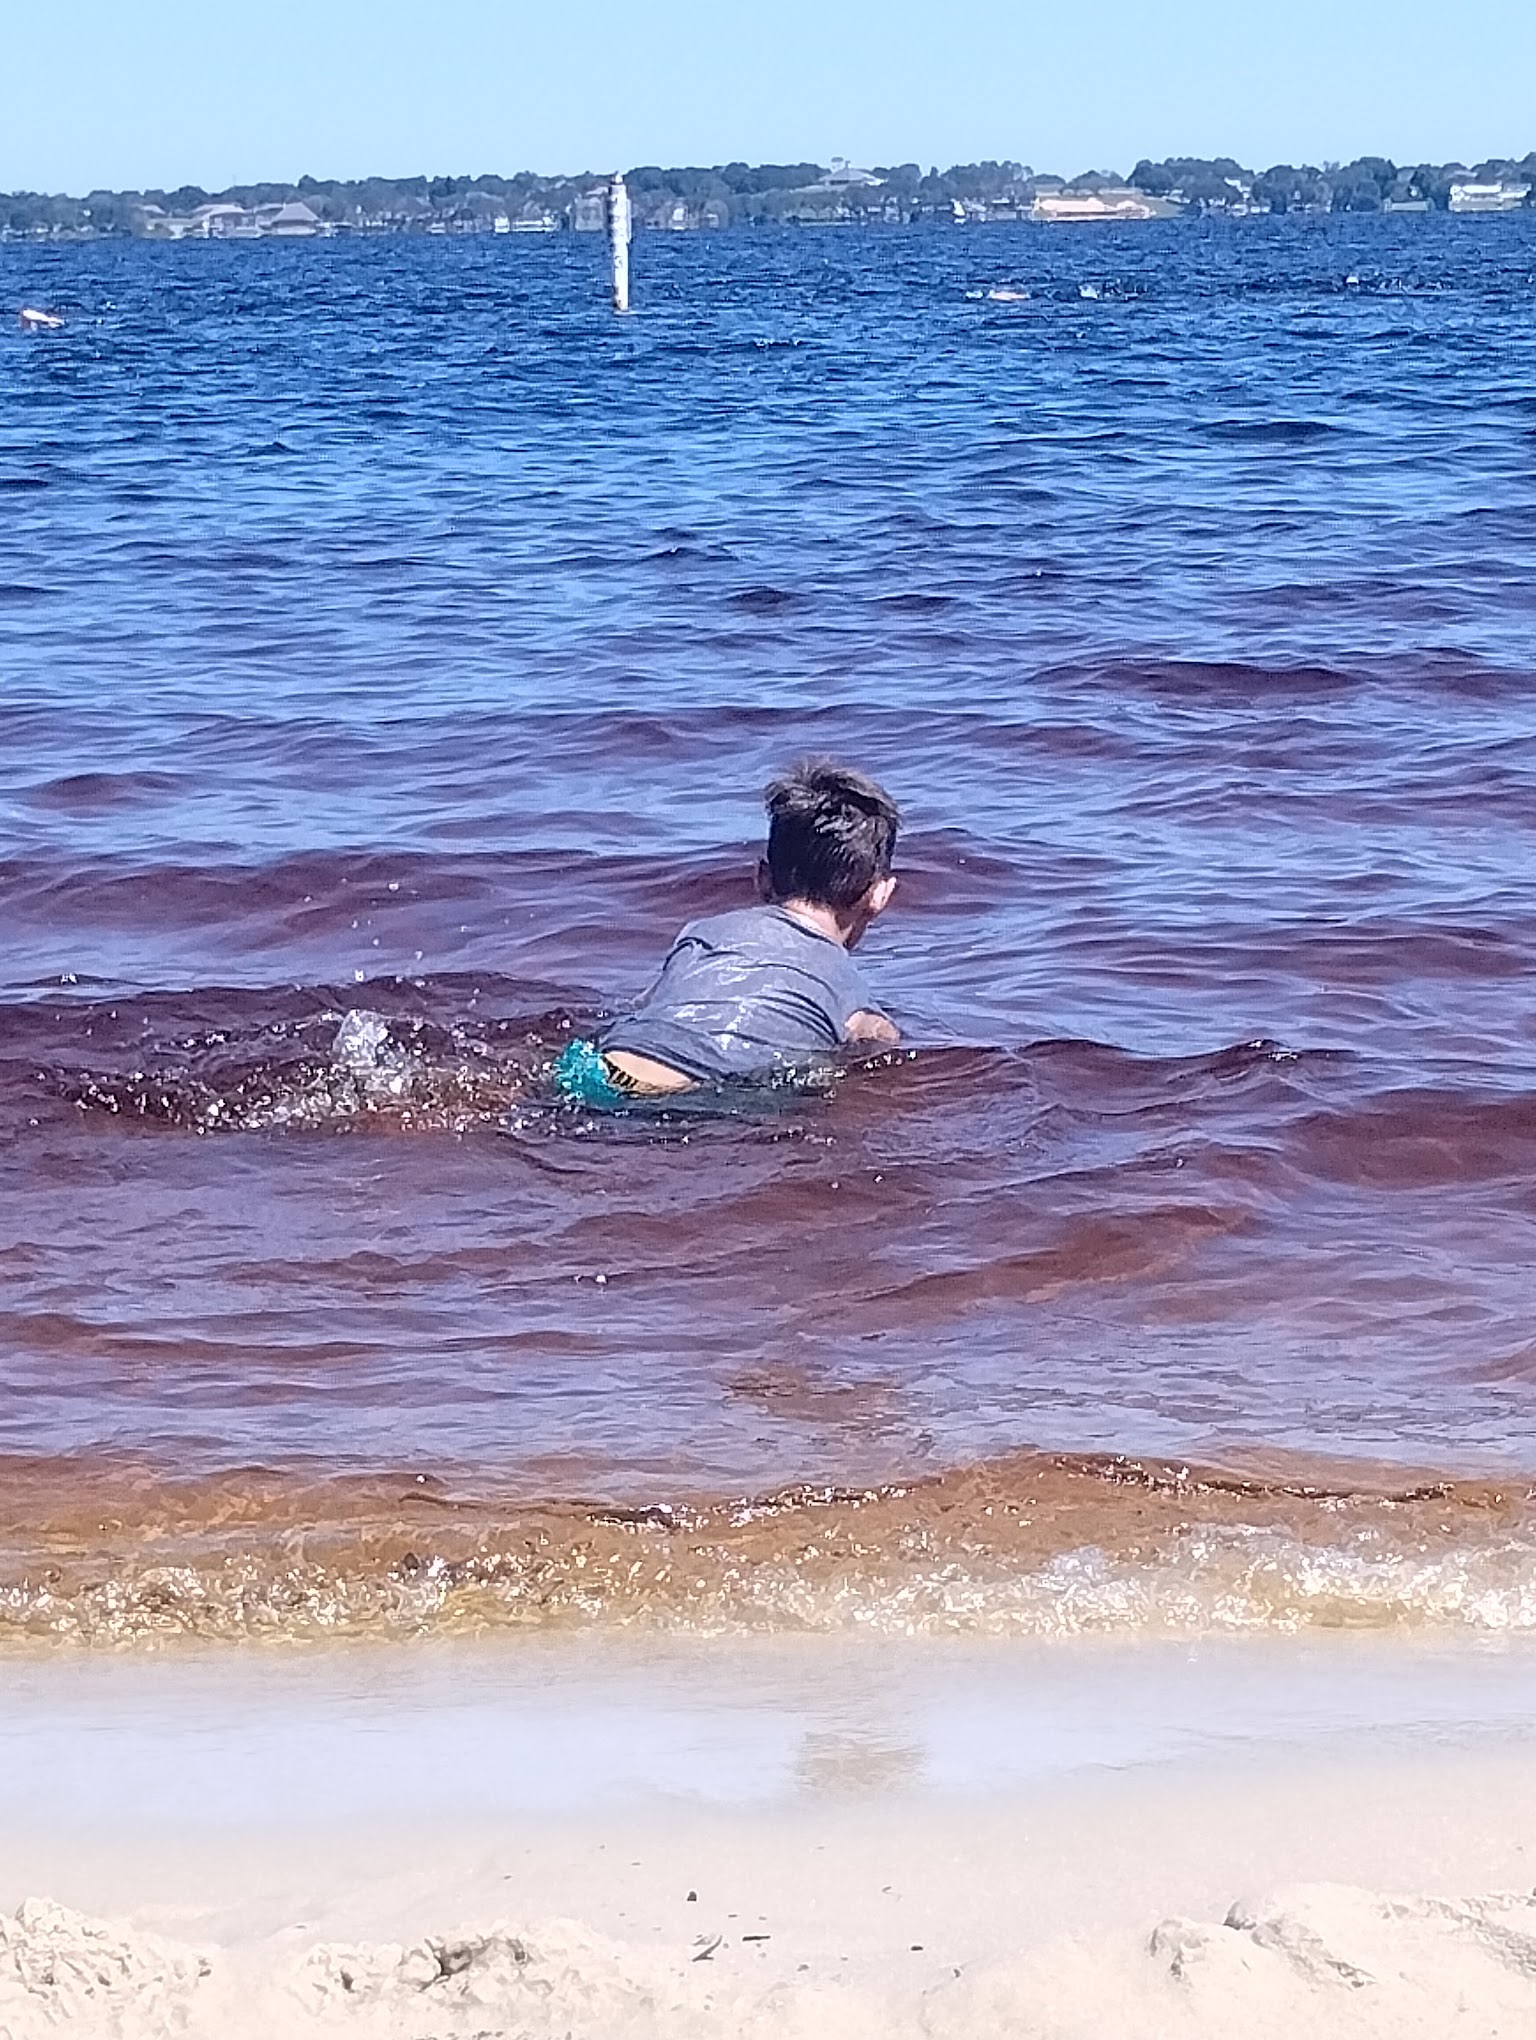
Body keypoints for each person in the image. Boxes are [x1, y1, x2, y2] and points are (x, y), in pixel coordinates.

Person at [553, 761, 900, 1106]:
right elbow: (877, 1037)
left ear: (762, 878)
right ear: (879, 895)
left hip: (602, 1067)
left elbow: (650, 1005)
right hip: (689, 1092)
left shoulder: (703, 932)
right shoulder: (844, 982)